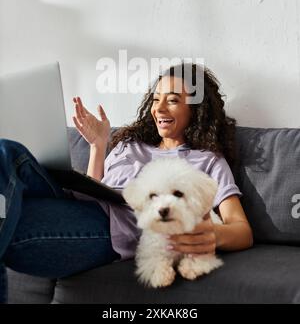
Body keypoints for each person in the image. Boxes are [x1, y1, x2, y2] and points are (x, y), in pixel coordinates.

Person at [0, 63, 253, 303]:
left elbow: (242, 229)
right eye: (156, 99)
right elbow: (94, 188)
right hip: (74, 203)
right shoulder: (128, 144)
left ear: (196, 110)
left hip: (112, 228)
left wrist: (212, 235)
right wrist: (98, 146)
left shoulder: (207, 161)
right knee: (7, 152)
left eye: (173, 100)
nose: (160, 108)